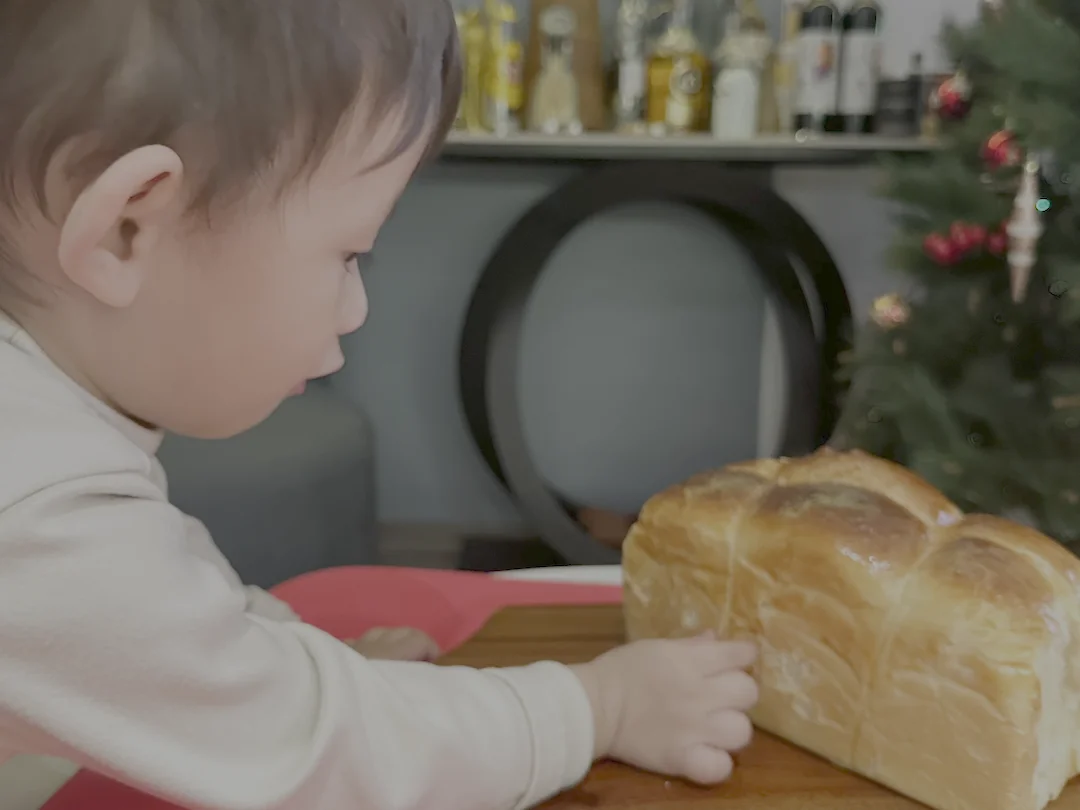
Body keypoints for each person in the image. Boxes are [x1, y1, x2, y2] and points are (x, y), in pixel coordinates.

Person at [0, 2, 760, 809]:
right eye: (349, 252)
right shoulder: (35, 516)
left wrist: (297, 661)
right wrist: (599, 708)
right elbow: (314, 752)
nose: (356, 308)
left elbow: (162, 600)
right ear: (126, 229)